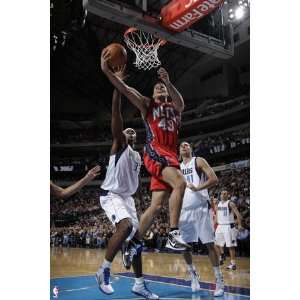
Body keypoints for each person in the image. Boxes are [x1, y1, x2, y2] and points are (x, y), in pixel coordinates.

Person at [101, 49, 189, 251]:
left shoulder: (175, 107)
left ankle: (133, 243)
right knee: (180, 183)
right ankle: (173, 234)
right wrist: (107, 71)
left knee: (156, 206)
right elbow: (124, 89)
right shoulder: (147, 104)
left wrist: (167, 82)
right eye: (156, 87)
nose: (159, 88)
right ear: (152, 94)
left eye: (162, 87)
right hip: (155, 152)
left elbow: (181, 104)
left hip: (169, 155)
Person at [95, 83, 158, 300]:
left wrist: (139, 203)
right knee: (126, 226)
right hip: (111, 194)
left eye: (133, 131)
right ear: (121, 135)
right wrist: (117, 89)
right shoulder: (120, 146)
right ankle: (103, 271)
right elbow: (116, 114)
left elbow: (135, 182)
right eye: (126, 130)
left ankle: (139, 284)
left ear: (136, 138)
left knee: (137, 240)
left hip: (127, 198)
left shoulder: (137, 156)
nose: (130, 132)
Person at [179, 142, 224, 296]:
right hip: (184, 211)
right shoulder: (177, 168)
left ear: (190, 149)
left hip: (200, 208)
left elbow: (214, 179)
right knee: (183, 246)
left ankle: (219, 280)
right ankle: (193, 275)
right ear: (179, 151)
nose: (184, 146)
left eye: (187, 145)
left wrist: (197, 188)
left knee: (209, 245)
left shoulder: (198, 161)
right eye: (182, 145)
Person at [215, 190, 243, 270]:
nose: (223, 195)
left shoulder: (230, 203)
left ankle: (233, 264)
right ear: (220, 195)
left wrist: (240, 224)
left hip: (228, 226)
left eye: (225, 193)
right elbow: (217, 213)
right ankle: (220, 259)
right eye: (222, 193)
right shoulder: (219, 203)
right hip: (220, 226)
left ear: (228, 195)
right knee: (216, 244)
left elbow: (238, 215)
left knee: (230, 246)